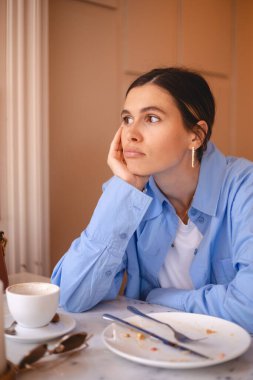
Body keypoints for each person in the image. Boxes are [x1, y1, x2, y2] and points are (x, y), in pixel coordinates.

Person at [51, 67, 253, 332]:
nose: (131, 134)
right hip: (149, 352)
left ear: (196, 135)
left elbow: (248, 307)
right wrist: (125, 188)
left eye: (152, 118)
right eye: (127, 119)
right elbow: (71, 297)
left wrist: (159, 297)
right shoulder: (126, 195)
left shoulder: (244, 187)